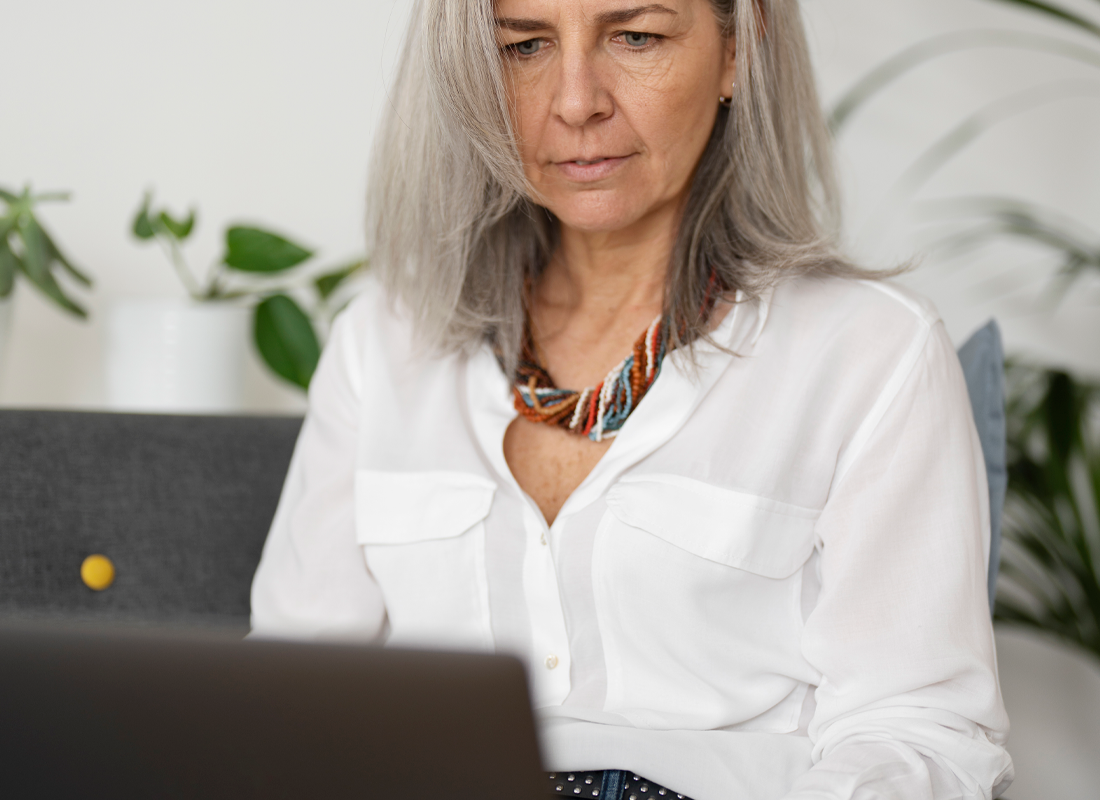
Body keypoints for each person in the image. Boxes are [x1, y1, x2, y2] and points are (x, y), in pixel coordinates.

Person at [250, 1, 1014, 798]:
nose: (576, 101)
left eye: (636, 37)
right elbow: (289, 696)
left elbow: (919, 735)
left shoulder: (871, 353)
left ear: (735, 52)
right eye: (525, 46)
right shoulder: (384, 343)